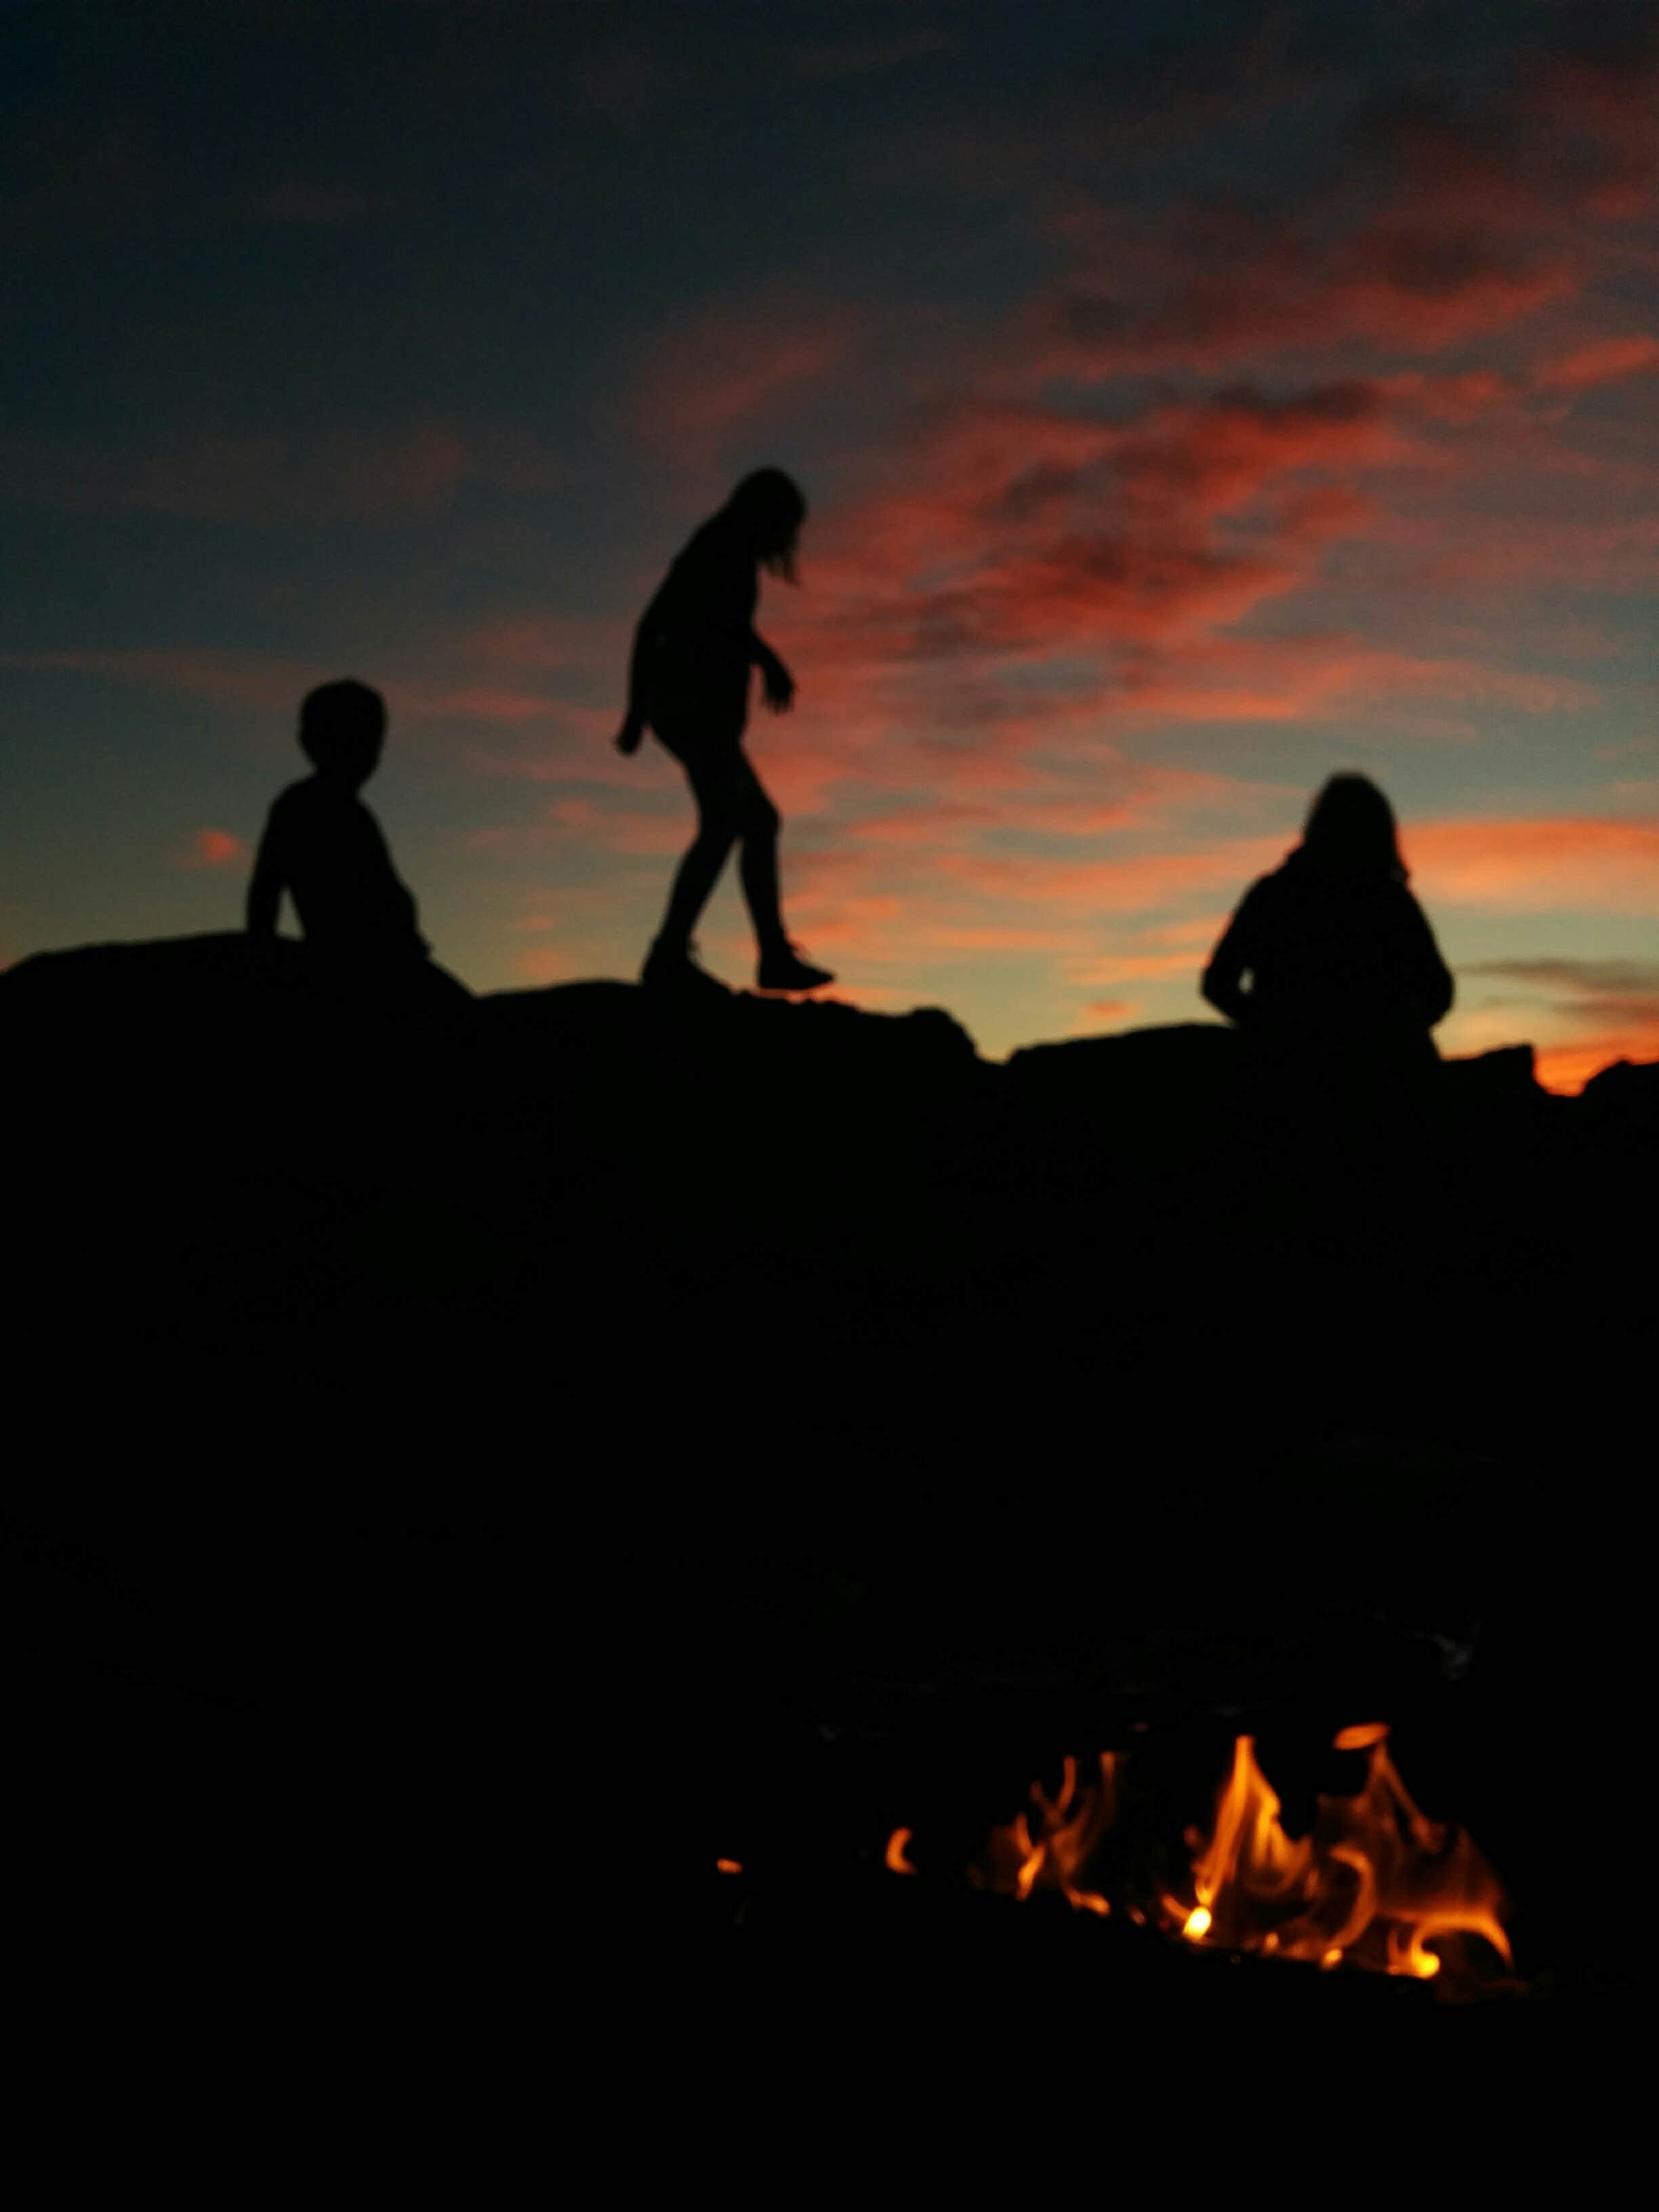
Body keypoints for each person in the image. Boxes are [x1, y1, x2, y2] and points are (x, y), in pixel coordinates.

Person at [613, 468, 834, 994]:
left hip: (694, 712)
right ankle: (675, 955)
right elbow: (660, 624)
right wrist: (636, 711)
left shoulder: (725, 552)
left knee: (752, 821)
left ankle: (759, 955)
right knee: (733, 820)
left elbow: (721, 625)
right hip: (687, 709)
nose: (788, 539)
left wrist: (762, 660)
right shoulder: (718, 549)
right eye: (785, 525)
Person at [1202, 773, 1453, 1058]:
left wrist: (1270, 1029)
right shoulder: (1390, 900)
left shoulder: (1272, 893)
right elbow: (1438, 991)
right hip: (1380, 1070)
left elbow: (1218, 984)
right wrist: (1394, 1035)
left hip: (1286, 1066)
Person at [247, 679, 429, 966]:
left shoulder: (352, 812)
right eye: (352, 741)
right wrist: (262, 955)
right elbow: (266, 891)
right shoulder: (303, 807)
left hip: (390, 959)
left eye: (373, 742)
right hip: (360, 962)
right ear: (312, 742)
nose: (370, 754)